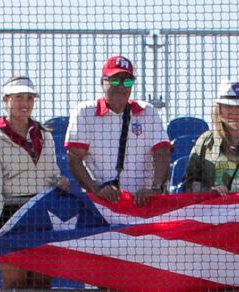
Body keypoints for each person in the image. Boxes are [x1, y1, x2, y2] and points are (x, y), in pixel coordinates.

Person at [0, 76, 63, 289]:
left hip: (41, 213)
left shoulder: (45, 135)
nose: (25, 103)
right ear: (6, 100)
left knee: (42, 283)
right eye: (18, 97)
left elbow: (51, 172)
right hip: (11, 216)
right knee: (15, 284)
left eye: (29, 97)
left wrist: (59, 181)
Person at [66, 55, 173, 210]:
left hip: (143, 202)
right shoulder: (85, 112)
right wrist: (97, 190)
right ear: (103, 82)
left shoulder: (147, 111)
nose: (121, 86)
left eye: (127, 81)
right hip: (103, 205)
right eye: (115, 80)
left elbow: (162, 152)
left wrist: (155, 189)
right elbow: (74, 158)